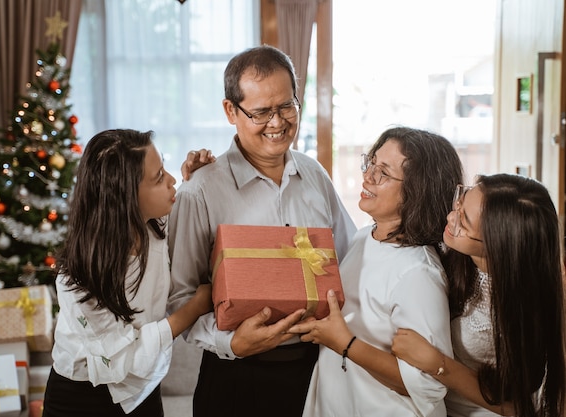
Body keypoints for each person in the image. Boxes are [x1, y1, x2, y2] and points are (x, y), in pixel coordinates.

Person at [166, 45, 357, 417]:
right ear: (230, 111)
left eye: (287, 106)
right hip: (236, 375)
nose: (277, 122)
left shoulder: (314, 174)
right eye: (261, 112)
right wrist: (232, 343)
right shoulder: (200, 190)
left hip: (317, 368)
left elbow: (349, 259)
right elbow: (179, 297)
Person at [288, 126, 465, 416]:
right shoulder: (363, 237)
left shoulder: (417, 272)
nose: (368, 175)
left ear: (417, 192)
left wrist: (345, 343)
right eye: (371, 162)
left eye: (383, 172)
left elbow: (427, 384)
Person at [42, 129, 214, 417]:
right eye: (159, 177)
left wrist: (195, 178)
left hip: (143, 389)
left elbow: (188, 220)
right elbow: (123, 358)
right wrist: (193, 309)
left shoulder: (155, 227)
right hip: (82, 399)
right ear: (123, 197)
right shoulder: (79, 280)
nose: (171, 180)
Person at [391, 173, 566, 417]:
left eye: (463, 222)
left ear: (497, 246)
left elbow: (519, 408)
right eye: (460, 200)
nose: (451, 216)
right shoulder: (453, 250)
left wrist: (439, 365)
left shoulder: (523, 307)